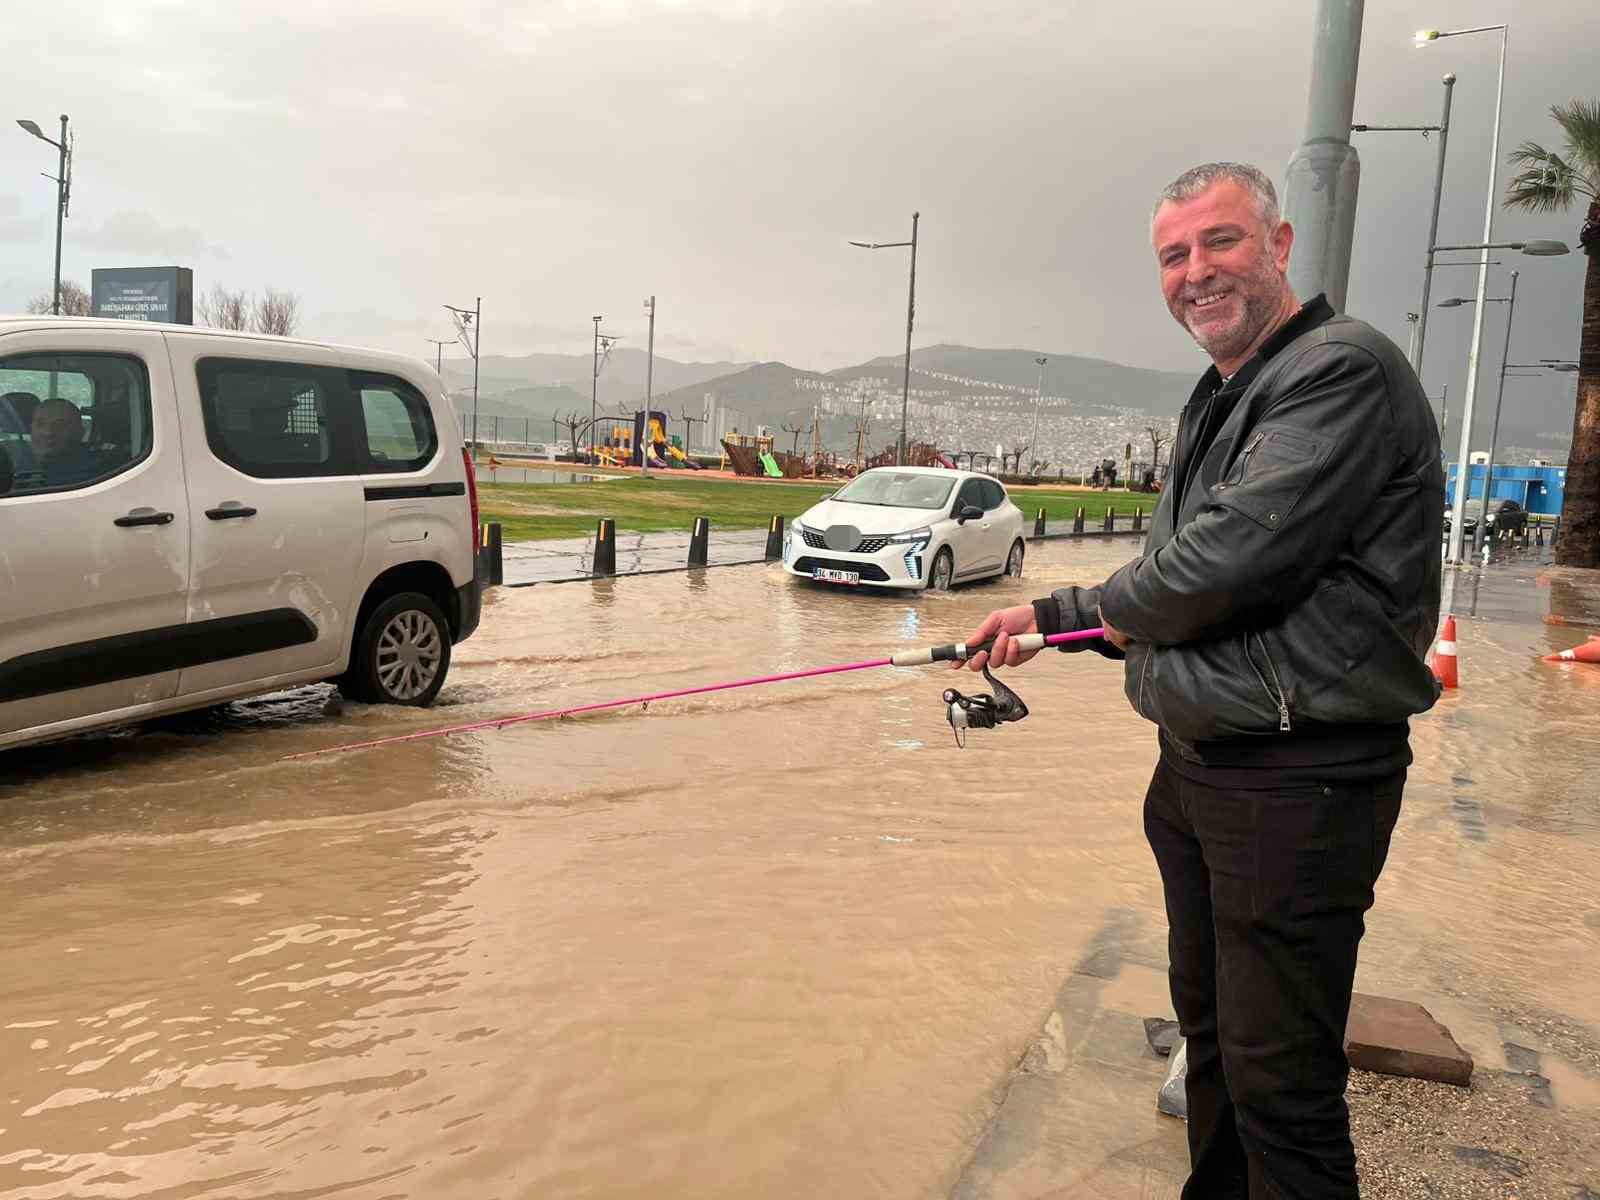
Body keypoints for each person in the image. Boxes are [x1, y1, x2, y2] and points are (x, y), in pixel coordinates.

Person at [958, 162, 1442, 1199]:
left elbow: (1225, 563)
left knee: (1281, 1083)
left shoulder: (1337, 369)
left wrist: (1070, 618)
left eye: (1219, 242)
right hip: (1205, 768)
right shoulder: (1232, 389)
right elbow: (1189, 579)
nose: (1194, 272)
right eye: (1172, 255)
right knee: (1216, 1041)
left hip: (1295, 777)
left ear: (1278, 246)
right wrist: (1053, 623)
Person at [31, 398, 101, 488]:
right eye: (41, 424)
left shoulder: (90, 476)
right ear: (31, 428)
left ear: (80, 433)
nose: (48, 432)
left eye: (59, 426)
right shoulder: (15, 458)